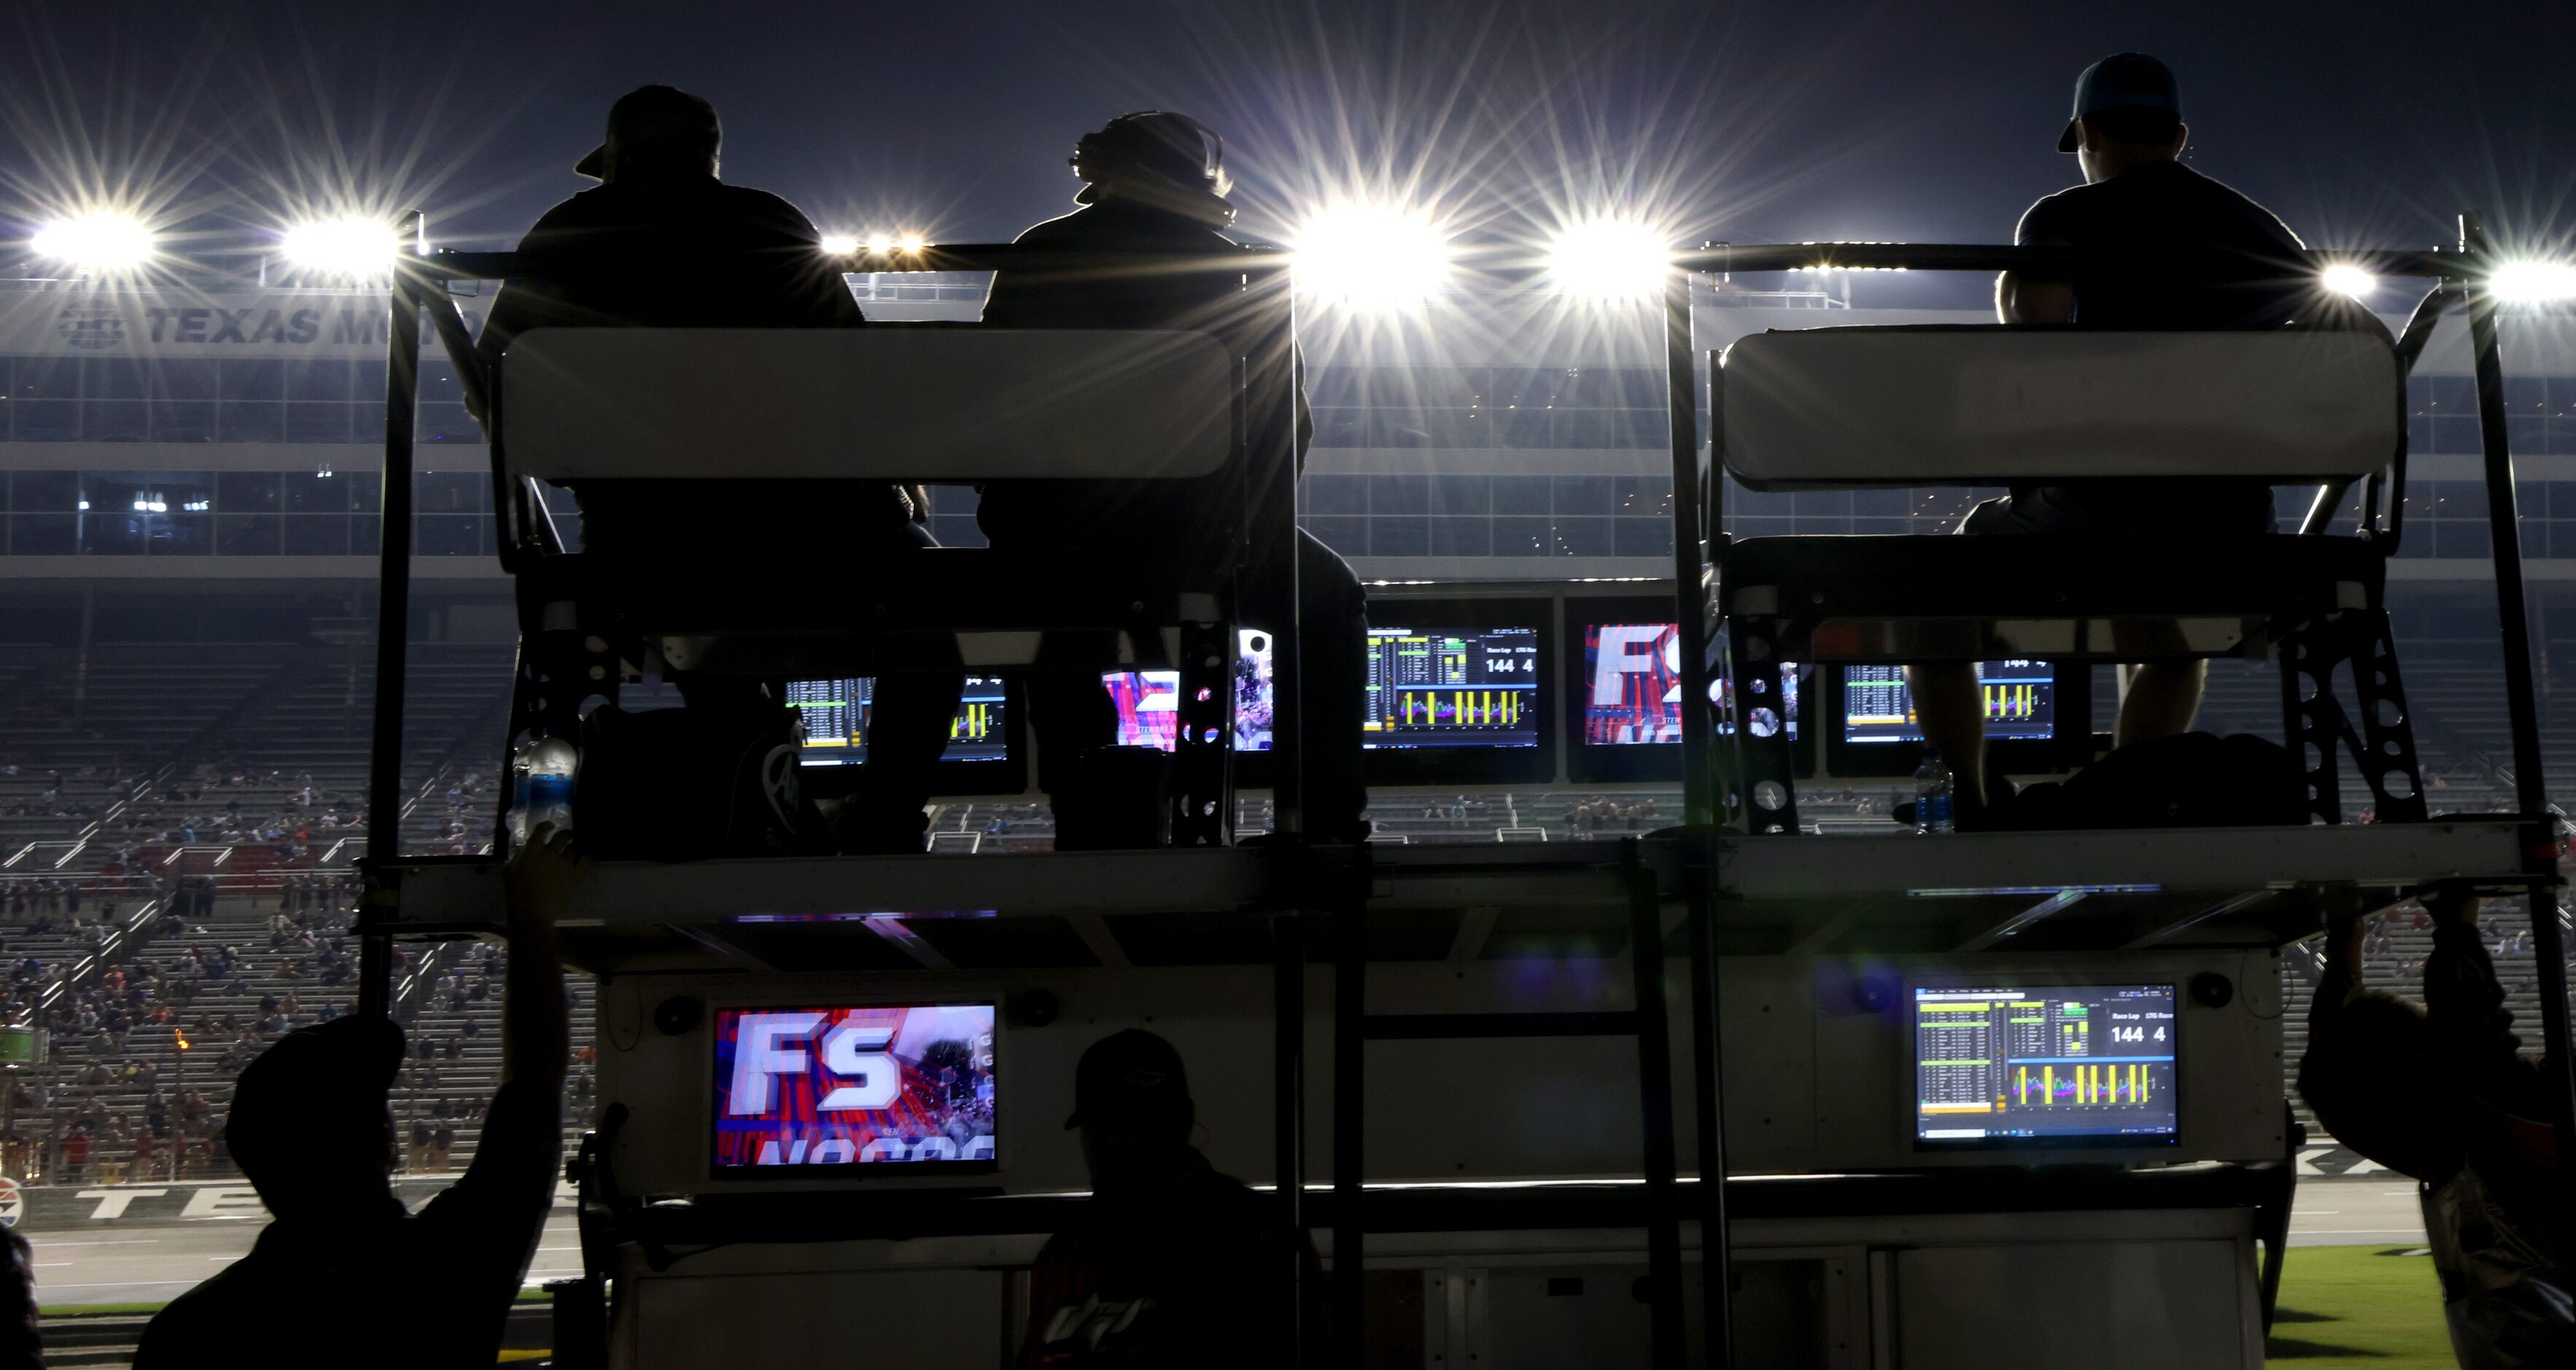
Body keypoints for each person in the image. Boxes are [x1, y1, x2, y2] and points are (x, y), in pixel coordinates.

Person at [474, 85, 961, 853]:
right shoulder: (767, 220)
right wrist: (897, 489)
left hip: (648, 542)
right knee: (932, 629)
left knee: (699, 648)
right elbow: (856, 372)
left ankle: (772, 801)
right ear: (710, 159)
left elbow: (495, 389)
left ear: (619, 159)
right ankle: (885, 814)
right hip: (826, 529)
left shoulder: (565, 231)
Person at [1908, 53, 2373, 820]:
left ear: (2088, 133)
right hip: (2228, 527)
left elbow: (2037, 335)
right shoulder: (2263, 232)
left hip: (2086, 511)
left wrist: (2008, 289)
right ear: (2179, 136)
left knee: (1933, 599)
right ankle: (2122, 797)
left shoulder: (2062, 217)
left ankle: (1974, 789)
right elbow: (2354, 353)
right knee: (2169, 640)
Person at [980, 112, 1370, 844]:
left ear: (1096, 172)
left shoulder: (1036, 253)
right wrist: (1250, 534)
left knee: (1052, 626)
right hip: (1193, 539)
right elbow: (1287, 427)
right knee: (1332, 597)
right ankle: (1324, 825)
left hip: (1047, 543)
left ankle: (1087, 812)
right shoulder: (1232, 266)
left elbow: (988, 406)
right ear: (1200, 181)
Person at [132, 824, 586, 1370]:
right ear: (386, 1143)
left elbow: (533, 1086)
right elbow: (533, 1085)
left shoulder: (184, 1335)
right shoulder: (442, 1270)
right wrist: (531, 914)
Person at [2299, 889, 2571, 1367]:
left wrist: (2352, 938)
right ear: (2423, 1056)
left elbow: (2333, 1053)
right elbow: (2469, 1032)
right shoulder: (2504, 1113)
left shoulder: (2386, 1125)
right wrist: (2456, 930)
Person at [1020, 1029, 1318, 1367]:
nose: (1116, 1142)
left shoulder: (1258, 1235)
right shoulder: (1065, 1251)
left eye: (1137, 1123)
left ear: (1184, 1122)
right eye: (1099, 1126)